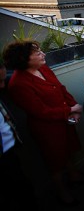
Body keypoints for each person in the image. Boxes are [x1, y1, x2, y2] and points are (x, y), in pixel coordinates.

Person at [3, 40, 84, 206]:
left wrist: (74, 108)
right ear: (24, 59)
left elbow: (61, 89)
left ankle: (73, 176)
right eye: (38, 53)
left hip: (64, 120)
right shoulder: (18, 84)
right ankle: (62, 193)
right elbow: (40, 112)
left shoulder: (43, 68)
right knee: (55, 162)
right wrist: (70, 111)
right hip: (47, 129)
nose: (43, 54)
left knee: (68, 150)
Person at [0, 62, 38, 210]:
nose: (3, 87)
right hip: (3, 159)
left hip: (12, 151)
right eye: (0, 81)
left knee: (23, 187)